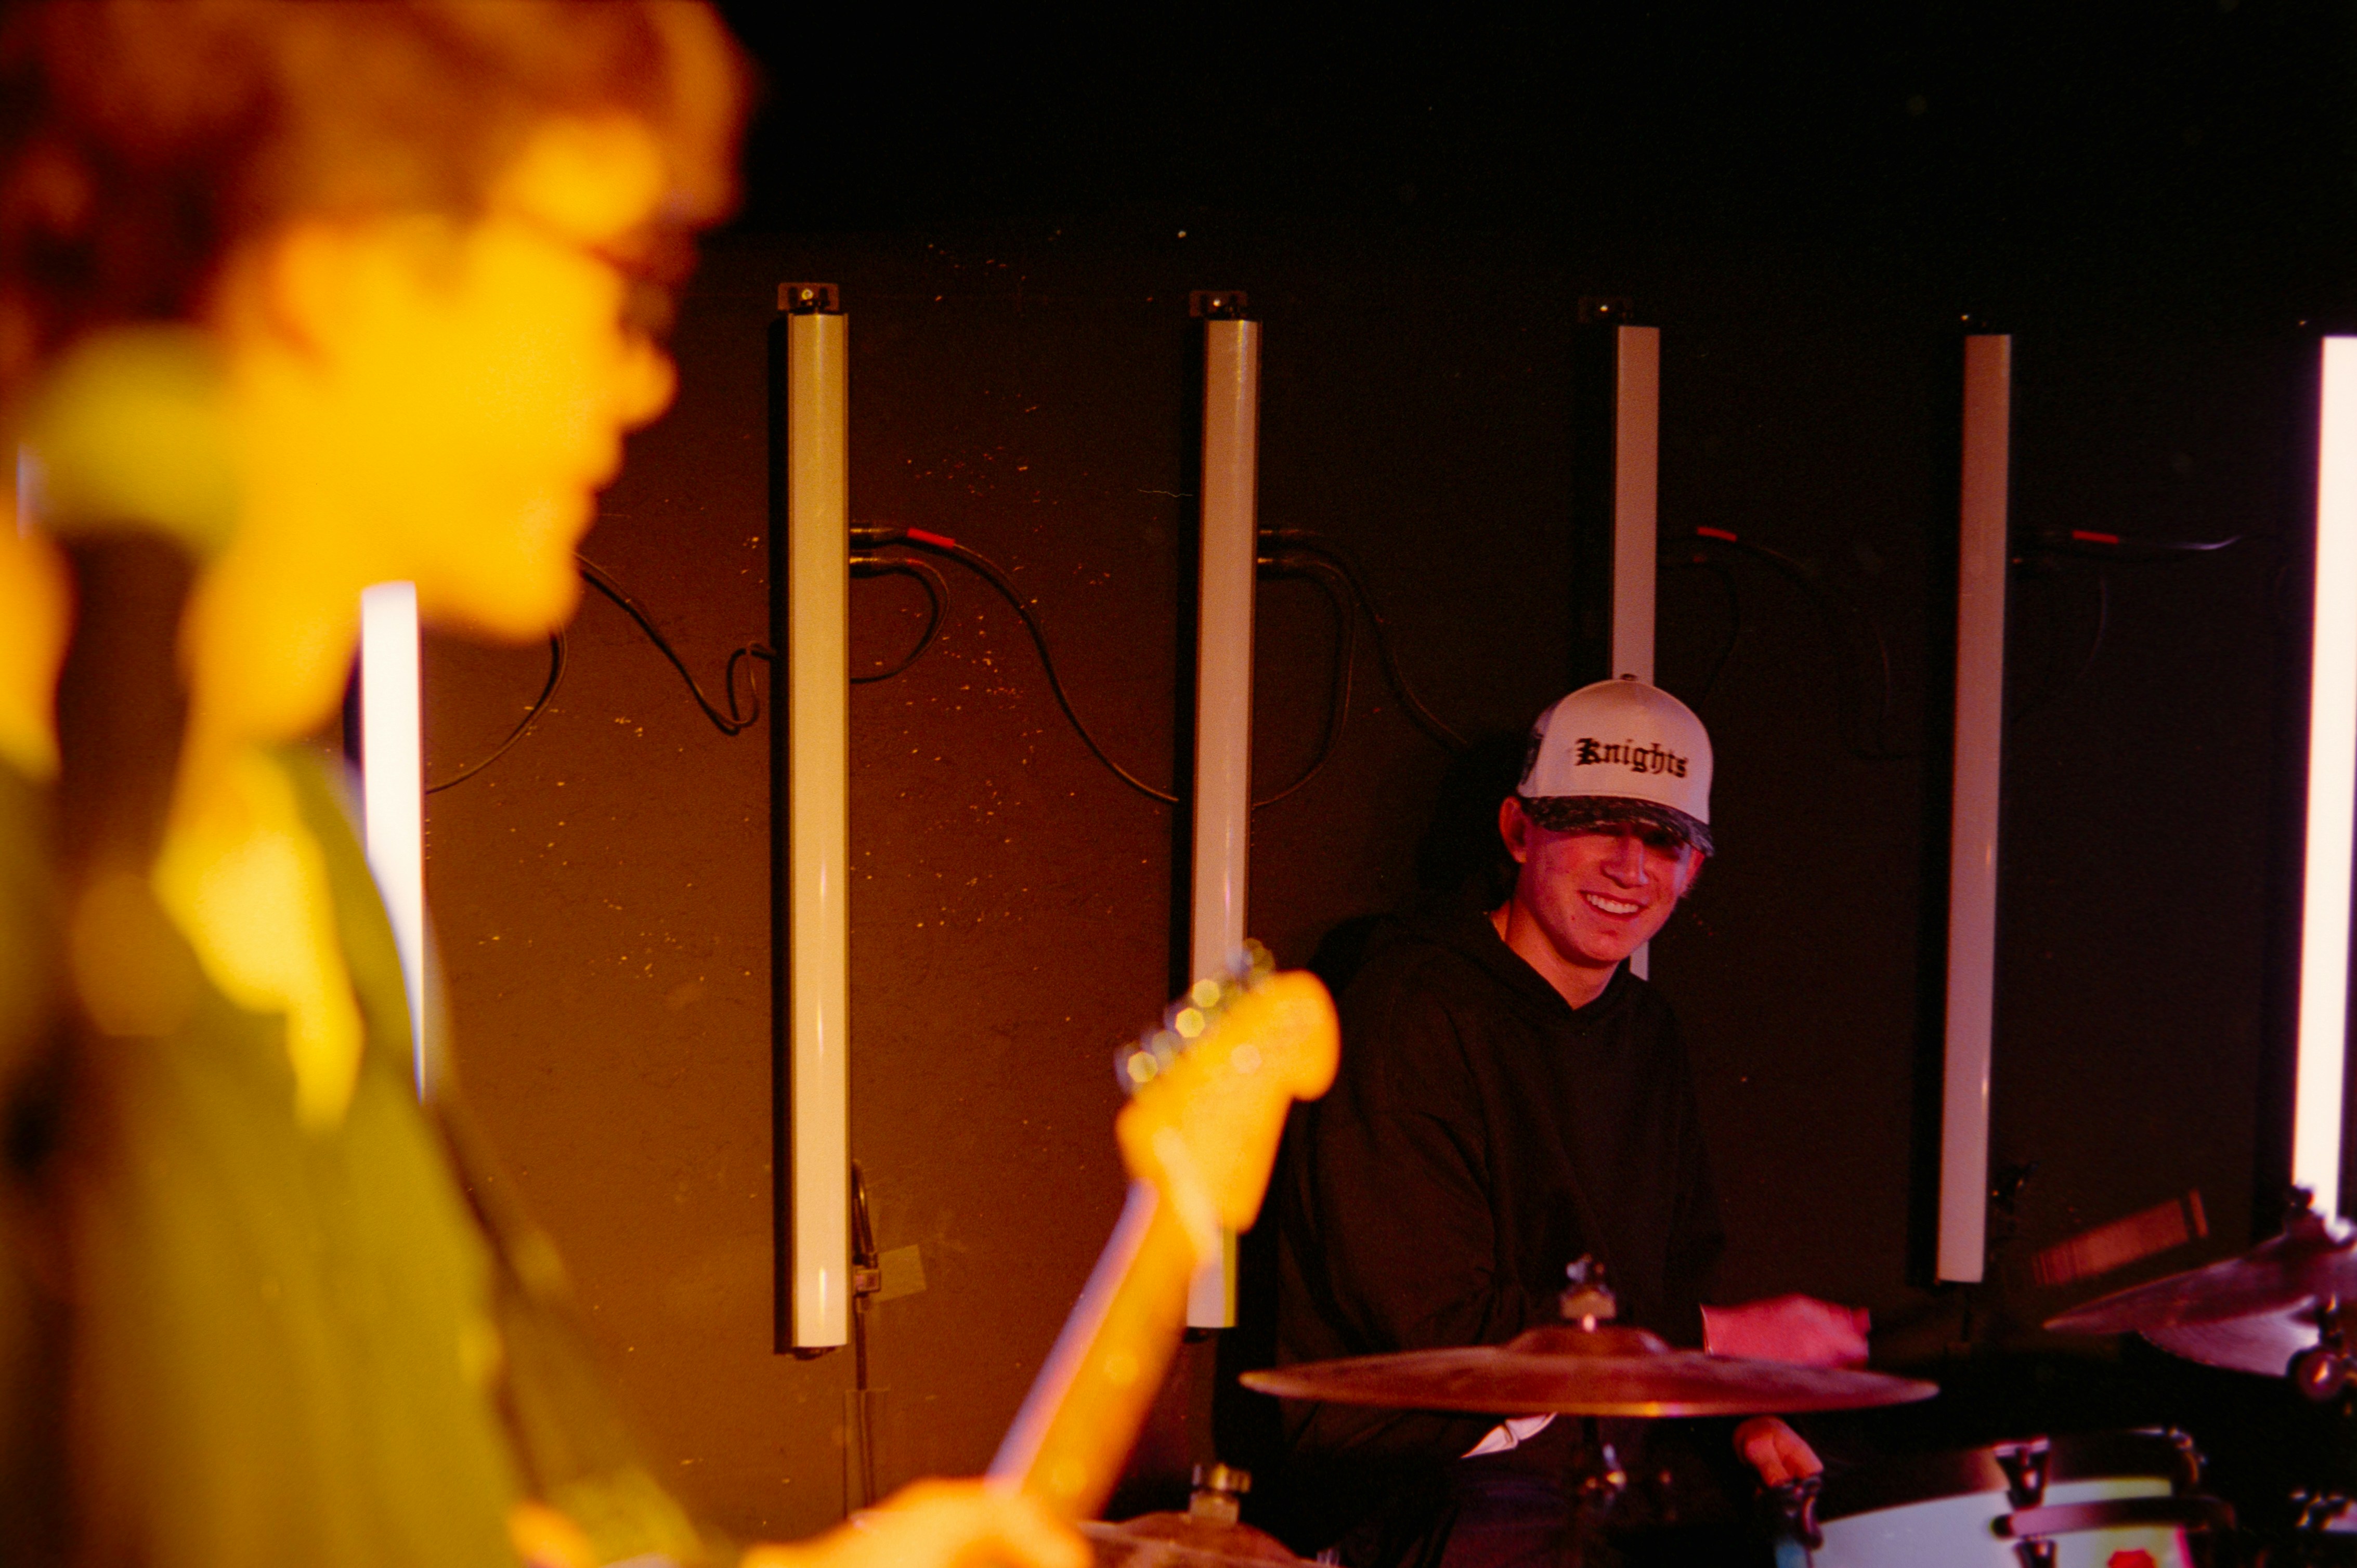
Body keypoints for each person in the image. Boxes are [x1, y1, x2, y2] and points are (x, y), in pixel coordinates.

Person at [0, 5, 1080, 1567]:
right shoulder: (55, 888)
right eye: (624, 283)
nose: (643, 384)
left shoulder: (296, 850)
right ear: (347, 257)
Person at [1270, 677, 1867, 1567]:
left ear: (1693, 870)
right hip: (1415, 1489)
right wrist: (1724, 1337)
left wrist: (1739, 1415)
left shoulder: (1649, 1034)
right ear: (1519, 831)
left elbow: (1675, 1281)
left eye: (1663, 841)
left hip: (1592, 1470)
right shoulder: (1406, 1009)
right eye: (1595, 823)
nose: (1630, 868)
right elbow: (1439, 1330)